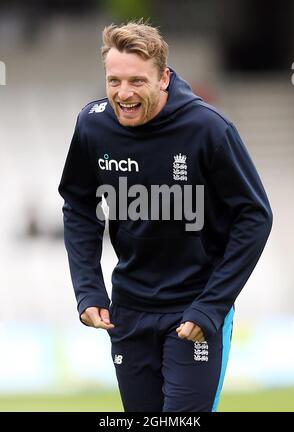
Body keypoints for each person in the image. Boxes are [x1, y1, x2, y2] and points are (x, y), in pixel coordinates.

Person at [58, 19, 273, 412]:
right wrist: (87, 288)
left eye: (137, 81)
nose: (123, 93)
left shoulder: (210, 128)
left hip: (193, 313)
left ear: (163, 78)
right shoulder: (92, 125)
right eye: (114, 80)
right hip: (129, 313)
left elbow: (255, 217)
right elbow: (77, 204)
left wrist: (211, 305)